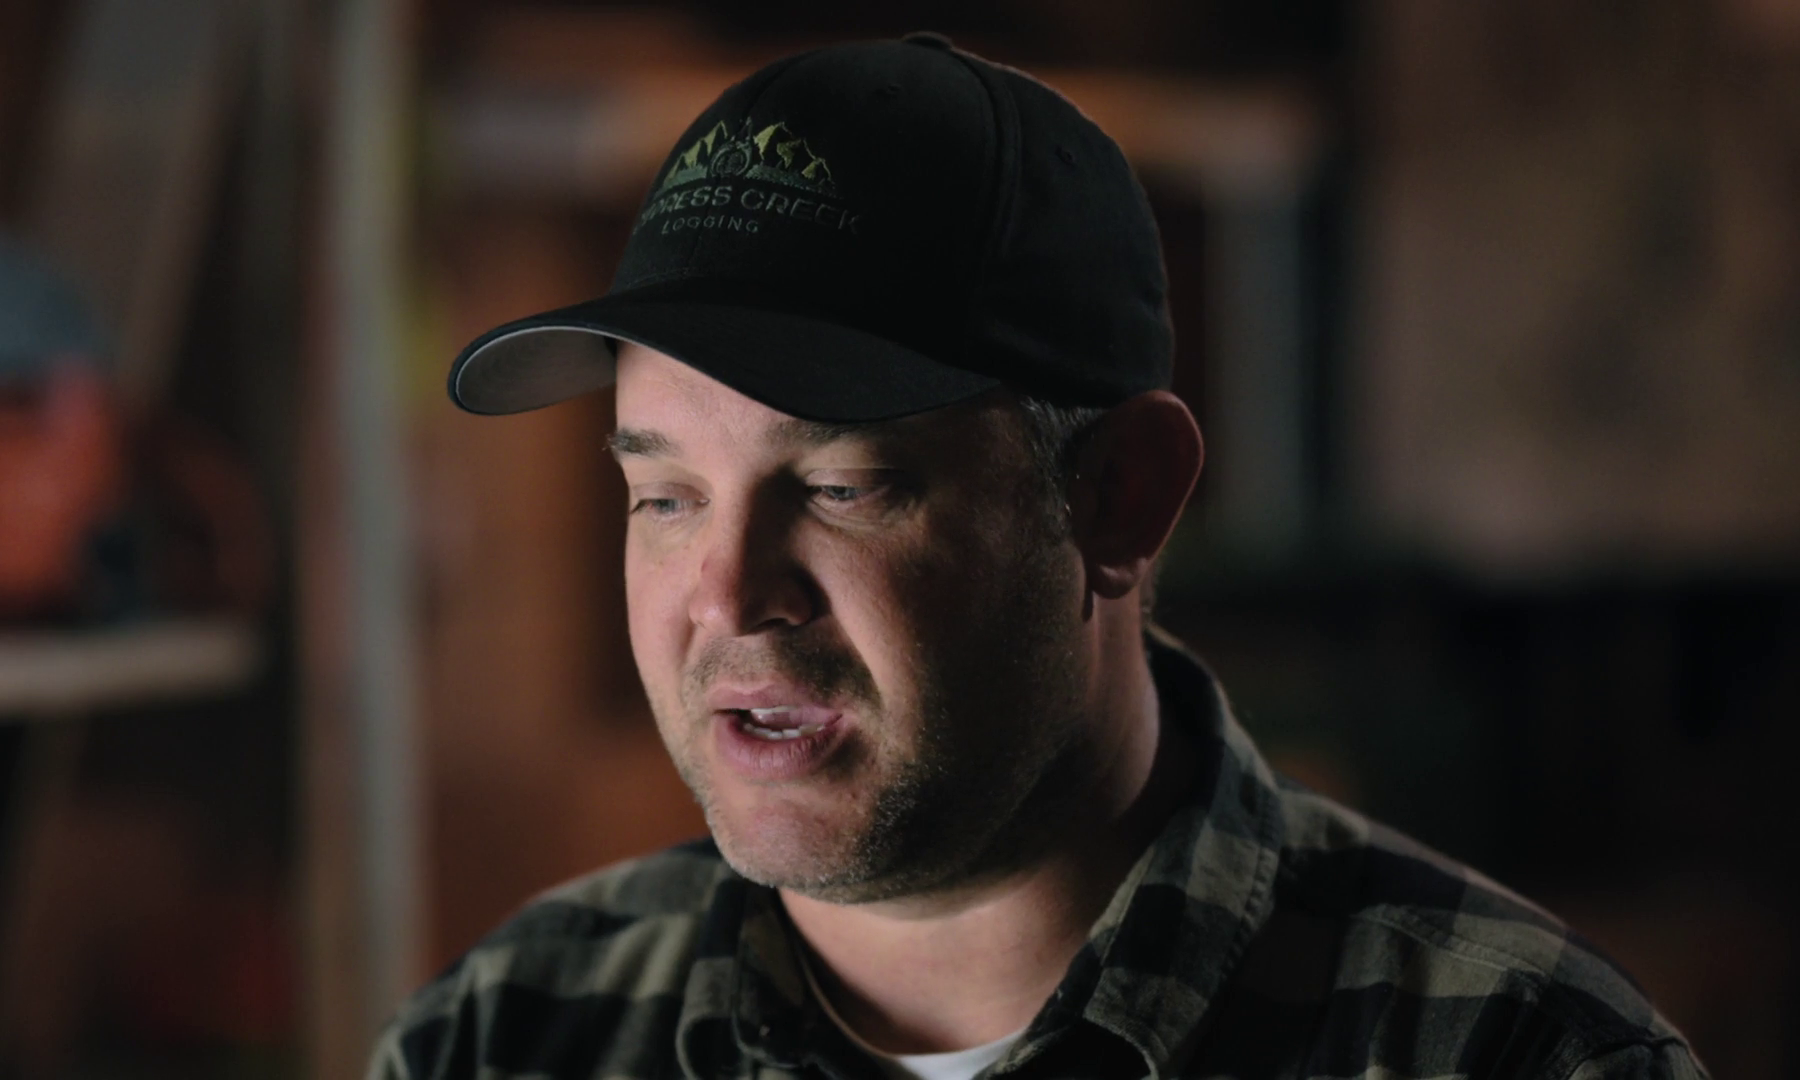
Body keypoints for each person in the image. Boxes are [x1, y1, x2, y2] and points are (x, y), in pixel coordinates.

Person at [371, 34, 1706, 1080]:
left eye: (841, 487)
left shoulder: (1512, 1054)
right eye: (663, 499)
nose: (724, 596)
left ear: (1120, 498)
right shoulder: (499, 1040)